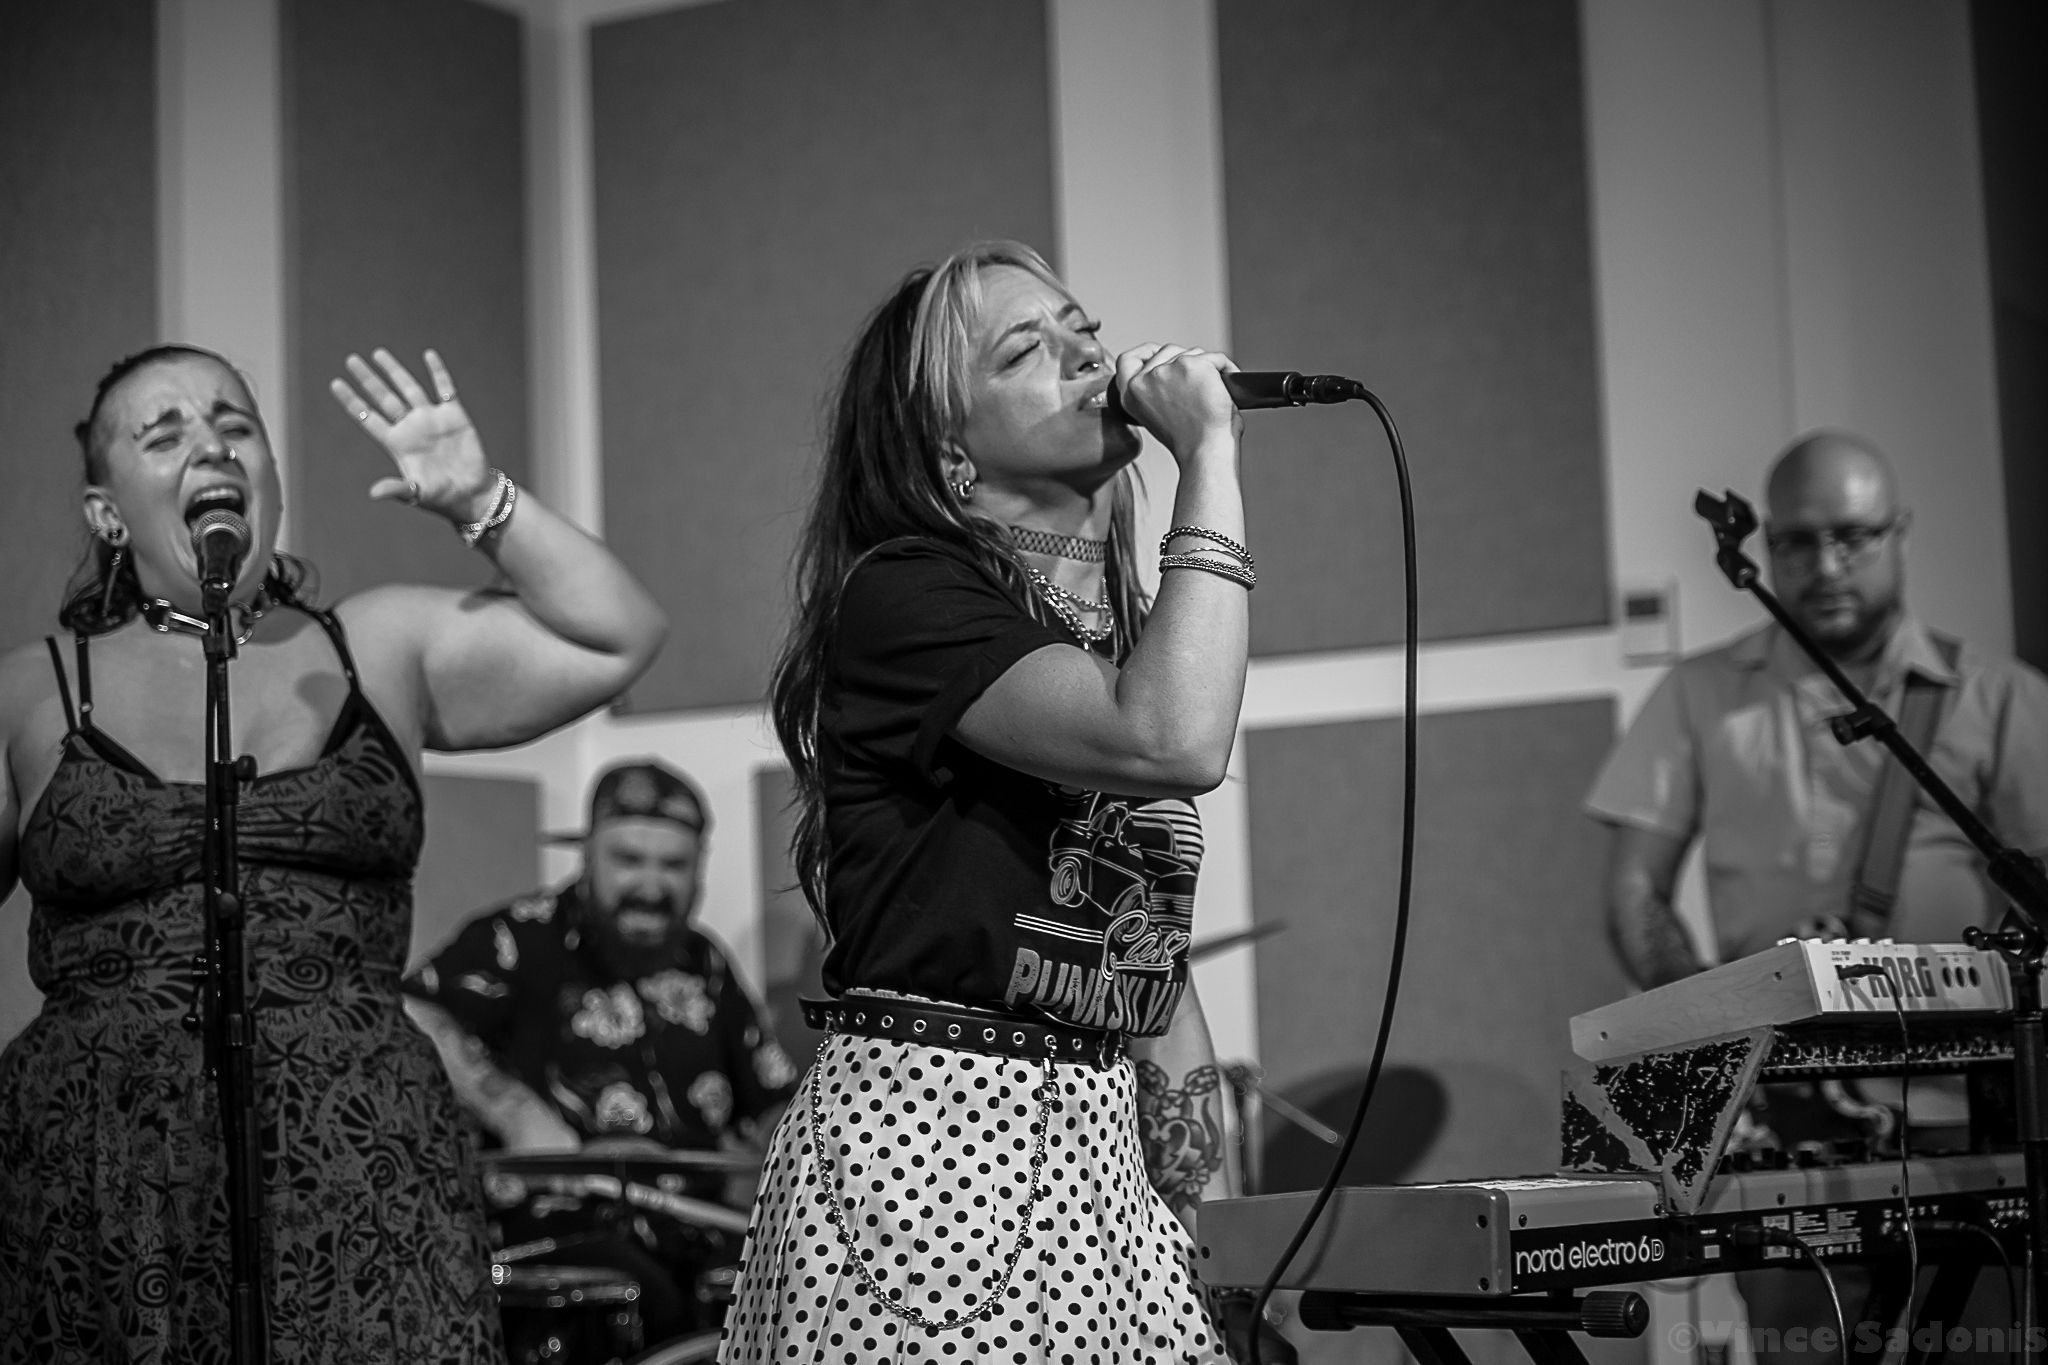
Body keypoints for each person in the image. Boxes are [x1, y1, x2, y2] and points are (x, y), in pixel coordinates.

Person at [0, 344, 666, 1361]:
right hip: (98, 1175)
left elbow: (615, 636)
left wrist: (479, 500)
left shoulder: (377, 645)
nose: (211, 444)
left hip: (365, 1168)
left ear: (270, 474)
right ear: (107, 512)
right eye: (164, 433)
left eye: (235, 424)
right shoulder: (35, 690)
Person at [721, 240, 1251, 1365]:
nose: (1085, 355)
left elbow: (1146, 959)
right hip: (930, 1169)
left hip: (1101, 1180)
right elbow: (1171, 738)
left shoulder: (1118, 638)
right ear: (946, 445)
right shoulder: (904, 597)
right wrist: (1208, 453)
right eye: (1025, 350)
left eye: (1082, 330)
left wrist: (1220, 1234)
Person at [1586, 429, 2048, 1362]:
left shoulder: (1996, 695)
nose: (1826, 565)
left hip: (1970, 1115)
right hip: (1783, 1118)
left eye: (1853, 536)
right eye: (1796, 541)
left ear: (1899, 532)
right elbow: (1635, 889)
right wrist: (1715, 1039)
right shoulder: (1701, 693)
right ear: (1764, 546)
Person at [402, 758, 799, 1339]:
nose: (651, 887)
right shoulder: (519, 938)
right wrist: (512, 1109)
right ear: (587, 854)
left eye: (674, 865)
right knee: (654, 1305)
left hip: (695, 1229)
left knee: (778, 1292)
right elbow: (412, 1012)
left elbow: (771, 1098)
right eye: (628, 859)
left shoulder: (705, 960)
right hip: (558, 1232)